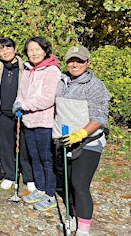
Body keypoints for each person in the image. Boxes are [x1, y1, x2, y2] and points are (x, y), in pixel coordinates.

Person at [53, 46, 110, 235]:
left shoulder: (95, 86)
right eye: (71, 60)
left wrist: (81, 134)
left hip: (88, 142)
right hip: (63, 140)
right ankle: (73, 219)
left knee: (79, 184)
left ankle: (83, 230)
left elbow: (99, 118)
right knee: (67, 183)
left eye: (79, 61)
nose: (74, 64)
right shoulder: (61, 82)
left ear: (88, 62)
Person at [13, 36, 61, 211]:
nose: (34, 53)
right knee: (34, 157)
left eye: (37, 49)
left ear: (45, 50)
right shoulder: (27, 70)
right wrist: (17, 103)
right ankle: (40, 189)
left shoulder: (52, 71)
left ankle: (50, 194)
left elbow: (48, 98)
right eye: (30, 50)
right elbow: (21, 92)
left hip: (45, 122)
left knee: (46, 159)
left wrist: (24, 105)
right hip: (28, 121)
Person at [0, 37, 35, 191]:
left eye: (8, 48)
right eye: (1, 49)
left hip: (22, 114)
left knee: (24, 147)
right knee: (6, 146)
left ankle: (29, 177)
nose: (5, 51)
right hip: (3, 113)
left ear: (14, 49)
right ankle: (10, 175)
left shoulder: (25, 67)